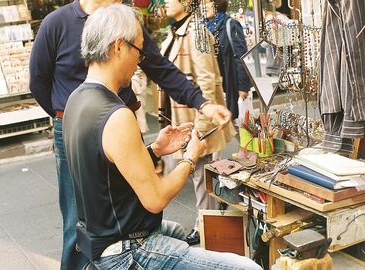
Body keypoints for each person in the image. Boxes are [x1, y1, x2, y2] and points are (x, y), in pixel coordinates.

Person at [29, 0, 232, 269]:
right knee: (78, 222)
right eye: (136, 51)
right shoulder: (57, 24)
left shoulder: (122, 25)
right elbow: (38, 82)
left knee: (116, 206)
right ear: (118, 47)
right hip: (86, 122)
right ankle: (122, 253)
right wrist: (190, 158)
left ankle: (123, 245)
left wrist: (199, 106)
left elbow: (161, 68)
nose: (139, 60)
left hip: (93, 119)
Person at [160, 0, 232, 246]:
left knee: (202, 176)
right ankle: (207, 223)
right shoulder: (177, 30)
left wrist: (201, 129)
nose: (164, 2)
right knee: (199, 176)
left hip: (196, 119)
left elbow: (208, 81)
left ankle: (205, 227)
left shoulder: (196, 31)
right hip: (183, 118)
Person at [205, 0, 251, 124]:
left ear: (217, 4)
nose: (203, 6)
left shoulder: (231, 25)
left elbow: (242, 57)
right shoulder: (203, 28)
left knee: (233, 123)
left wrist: (243, 87)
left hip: (228, 85)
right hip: (212, 86)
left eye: (207, 3)